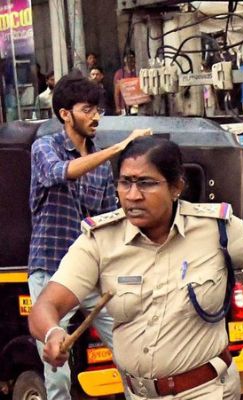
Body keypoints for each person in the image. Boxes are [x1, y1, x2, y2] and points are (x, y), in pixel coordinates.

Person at [29, 135, 243, 399]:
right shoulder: (100, 240)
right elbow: (47, 304)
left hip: (207, 391)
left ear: (176, 187)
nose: (132, 195)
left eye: (146, 183)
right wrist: (53, 332)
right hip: (138, 393)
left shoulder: (216, 228)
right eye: (124, 183)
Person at [27, 72, 152, 399]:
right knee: (57, 368)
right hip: (51, 269)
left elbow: (104, 218)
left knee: (130, 347)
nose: (96, 116)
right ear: (65, 115)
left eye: (98, 109)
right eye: (87, 109)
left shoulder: (99, 164)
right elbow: (60, 174)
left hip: (93, 271)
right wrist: (119, 149)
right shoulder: (45, 147)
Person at [114, 50, 137, 115]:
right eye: (128, 58)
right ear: (124, 59)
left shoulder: (137, 71)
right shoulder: (119, 73)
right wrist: (117, 107)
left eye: (132, 57)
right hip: (123, 107)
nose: (130, 60)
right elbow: (116, 92)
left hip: (136, 106)